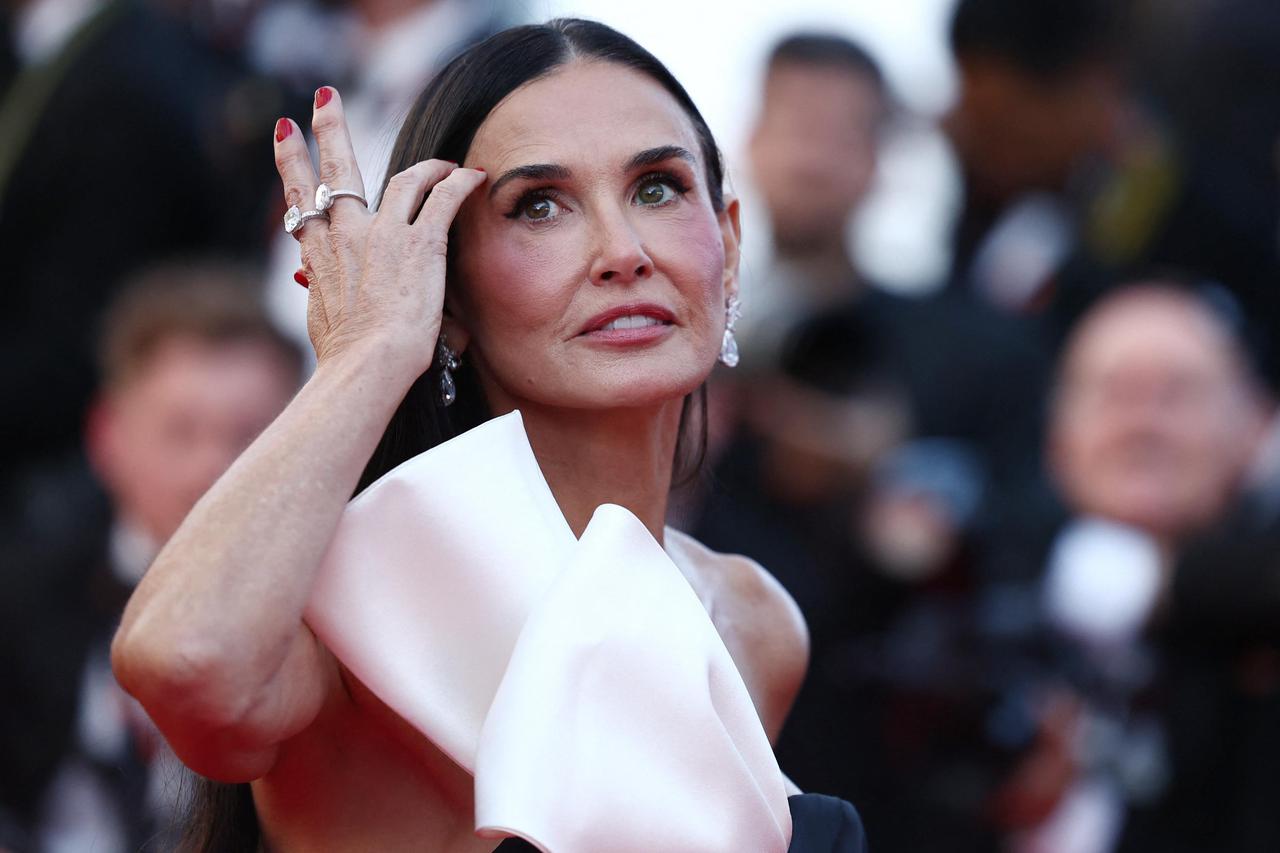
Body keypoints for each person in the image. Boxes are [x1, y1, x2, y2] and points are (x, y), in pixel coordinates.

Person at [110, 19, 865, 852]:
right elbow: (182, 661)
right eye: (540, 205)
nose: (622, 251)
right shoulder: (353, 600)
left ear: (726, 238)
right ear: (449, 291)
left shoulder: (755, 621)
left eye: (656, 188)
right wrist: (367, 353)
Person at [0, 264, 302, 850]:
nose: (212, 469)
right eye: (180, 431)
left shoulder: (331, 625)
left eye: (247, 435)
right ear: (106, 435)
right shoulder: (18, 594)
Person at [1020, 282, 1272, 851]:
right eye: (1112, 394)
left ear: (1256, 423)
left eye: (1177, 394)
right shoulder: (980, 584)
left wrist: (1165, 585)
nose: (1142, 424)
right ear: (1058, 434)